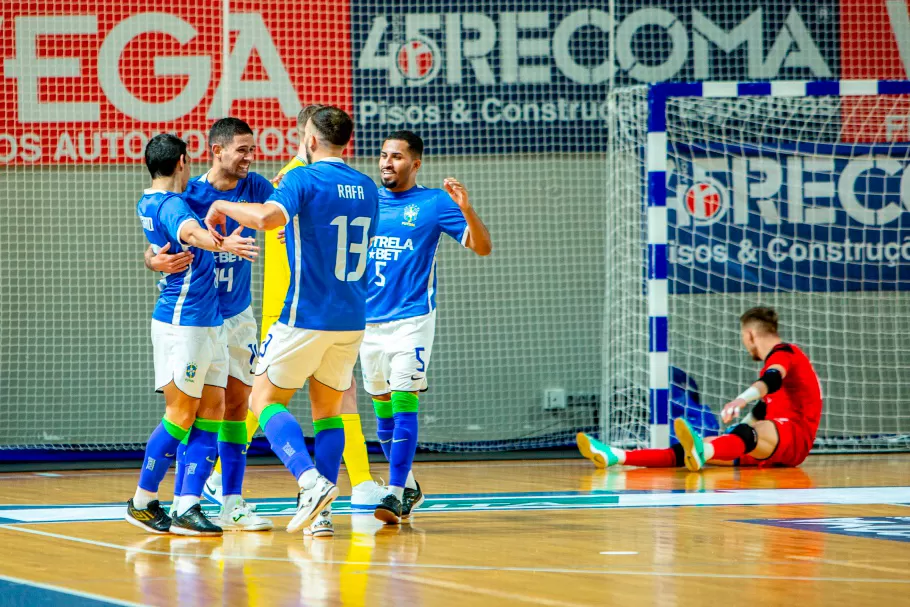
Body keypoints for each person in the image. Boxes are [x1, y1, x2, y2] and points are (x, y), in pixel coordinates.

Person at [203, 106, 379, 535]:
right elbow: (334, 230)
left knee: (262, 401)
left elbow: (265, 219)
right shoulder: (368, 186)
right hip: (351, 318)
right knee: (327, 413)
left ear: (311, 140)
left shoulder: (302, 176)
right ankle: (322, 518)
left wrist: (222, 203)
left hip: (305, 315)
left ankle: (308, 479)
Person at [127, 133, 258, 536]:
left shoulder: (149, 200)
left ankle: (187, 504)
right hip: (183, 321)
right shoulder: (170, 203)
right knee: (180, 415)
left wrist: (154, 258)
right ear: (184, 161)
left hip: (211, 319)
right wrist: (223, 242)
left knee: (213, 411)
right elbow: (191, 233)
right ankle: (143, 501)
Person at [363, 130, 492, 524]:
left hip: (412, 319)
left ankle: (396, 492)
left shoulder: (434, 202)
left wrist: (467, 209)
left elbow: (482, 246)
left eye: (397, 157)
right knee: (381, 412)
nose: (387, 162)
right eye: (384, 155)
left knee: (404, 402)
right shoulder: (366, 200)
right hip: (365, 323)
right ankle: (410, 485)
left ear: (415, 164)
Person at [577, 307, 823, 471]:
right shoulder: (780, 370)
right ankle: (618, 456)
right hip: (773, 443)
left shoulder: (785, 353)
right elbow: (761, 410)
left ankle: (704, 450)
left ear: (749, 335)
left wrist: (739, 400)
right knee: (692, 449)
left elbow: (773, 379)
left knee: (747, 433)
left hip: (794, 439)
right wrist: (731, 435)